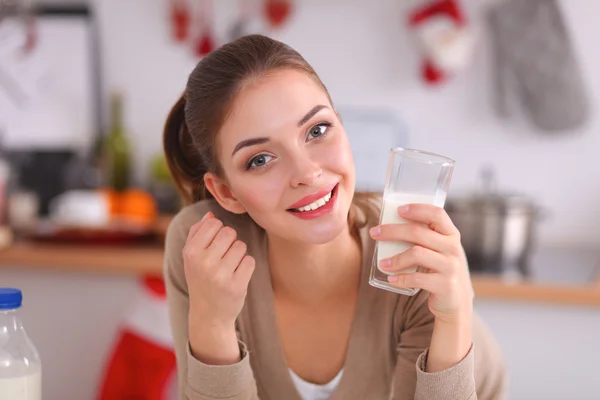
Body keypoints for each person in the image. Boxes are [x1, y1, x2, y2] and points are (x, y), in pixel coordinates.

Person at [162, 34, 506, 400]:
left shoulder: (411, 253)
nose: (307, 173)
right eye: (260, 159)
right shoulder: (205, 248)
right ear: (227, 193)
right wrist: (212, 324)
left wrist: (453, 318)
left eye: (317, 130)